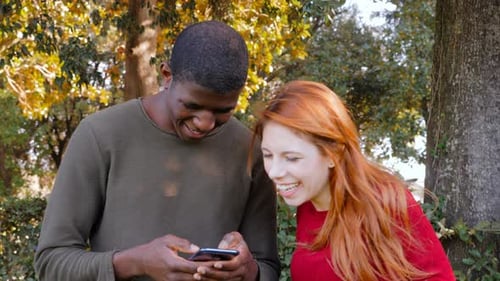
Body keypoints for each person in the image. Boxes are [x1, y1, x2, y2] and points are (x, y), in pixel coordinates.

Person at [34, 21, 280, 281]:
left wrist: (248, 270)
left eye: (223, 111)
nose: (205, 123)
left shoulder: (251, 150)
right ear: (167, 76)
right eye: (192, 105)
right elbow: (51, 262)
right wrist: (135, 263)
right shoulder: (100, 135)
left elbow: (267, 268)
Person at [251, 80, 455, 280]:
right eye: (268, 155)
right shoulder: (307, 203)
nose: (274, 172)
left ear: (334, 154)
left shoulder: (385, 203)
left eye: (292, 158)